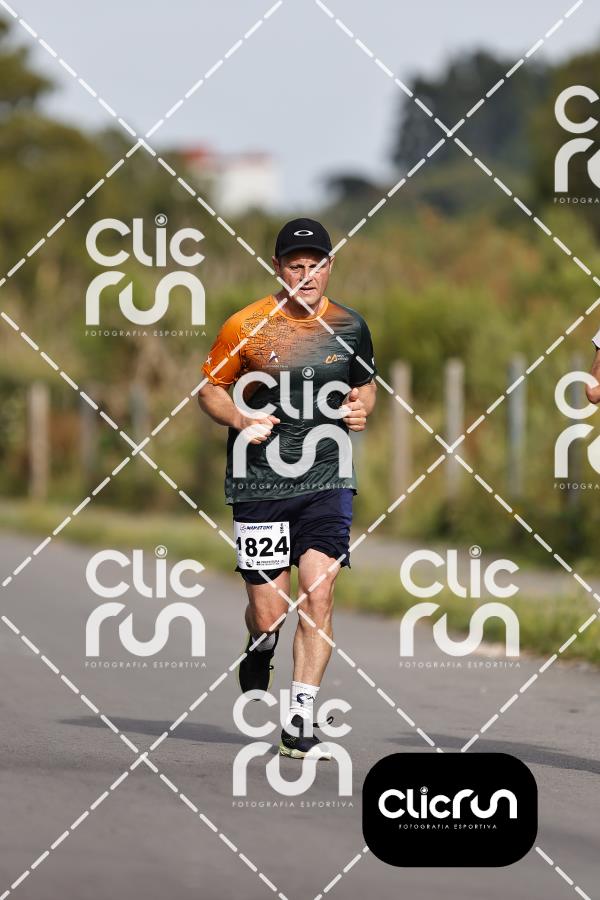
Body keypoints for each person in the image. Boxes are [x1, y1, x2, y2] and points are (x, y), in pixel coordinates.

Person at [197, 218, 376, 758]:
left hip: (327, 478)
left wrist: (360, 410)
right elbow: (210, 390)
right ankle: (260, 642)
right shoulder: (246, 325)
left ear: (330, 266)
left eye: (315, 265)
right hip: (260, 482)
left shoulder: (350, 326)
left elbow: (365, 388)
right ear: (277, 268)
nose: (306, 276)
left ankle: (299, 720)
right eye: (295, 266)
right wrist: (240, 418)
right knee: (271, 611)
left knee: (319, 593)